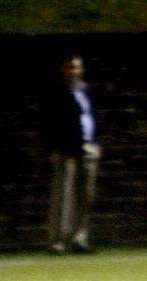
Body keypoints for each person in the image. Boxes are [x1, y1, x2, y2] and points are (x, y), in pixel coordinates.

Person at [41, 54, 101, 254]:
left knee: (86, 196)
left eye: (77, 67)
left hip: (88, 147)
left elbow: (93, 116)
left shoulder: (86, 90)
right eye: (70, 67)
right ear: (64, 70)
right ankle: (58, 241)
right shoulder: (57, 92)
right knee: (63, 197)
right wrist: (55, 146)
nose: (74, 71)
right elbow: (50, 121)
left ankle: (79, 238)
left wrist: (96, 142)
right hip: (66, 148)